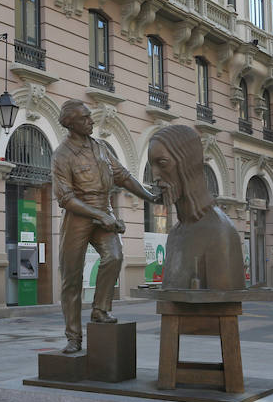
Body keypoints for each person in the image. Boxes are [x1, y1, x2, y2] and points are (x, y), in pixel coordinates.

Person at [52, 99, 156, 354]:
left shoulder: (100, 147)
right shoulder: (62, 155)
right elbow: (65, 197)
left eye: (90, 117)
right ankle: (73, 337)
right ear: (71, 124)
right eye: (85, 118)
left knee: (115, 256)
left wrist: (150, 196)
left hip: (103, 210)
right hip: (78, 215)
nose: (91, 121)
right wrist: (99, 215)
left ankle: (100, 309)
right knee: (72, 279)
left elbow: (123, 176)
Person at [148, 125, 245, 292]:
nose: (155, 176)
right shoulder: (175, 233)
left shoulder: (219, 231)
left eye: (162, 163)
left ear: (188, 164)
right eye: (152, 166)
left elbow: (223, 304)